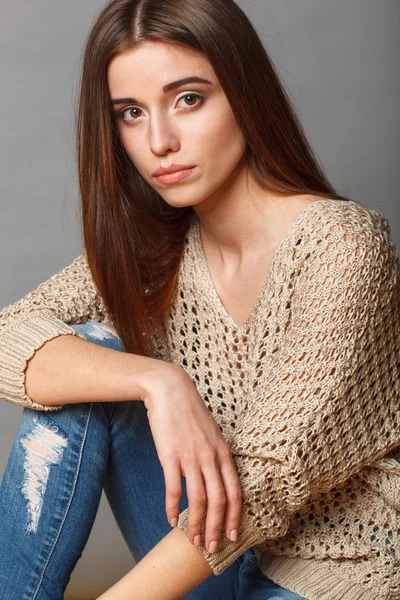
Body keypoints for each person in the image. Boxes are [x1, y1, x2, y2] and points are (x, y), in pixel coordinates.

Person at [0, 0, 399, 598]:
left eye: (188, 98)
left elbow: (264, 483)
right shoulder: (152, 251)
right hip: (201, 551)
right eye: (131, 113)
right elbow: (11, 334)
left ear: (244, 93)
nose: (159, 140)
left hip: (333, 569)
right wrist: (158, 381)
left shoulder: (342, 245)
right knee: (85, 358)